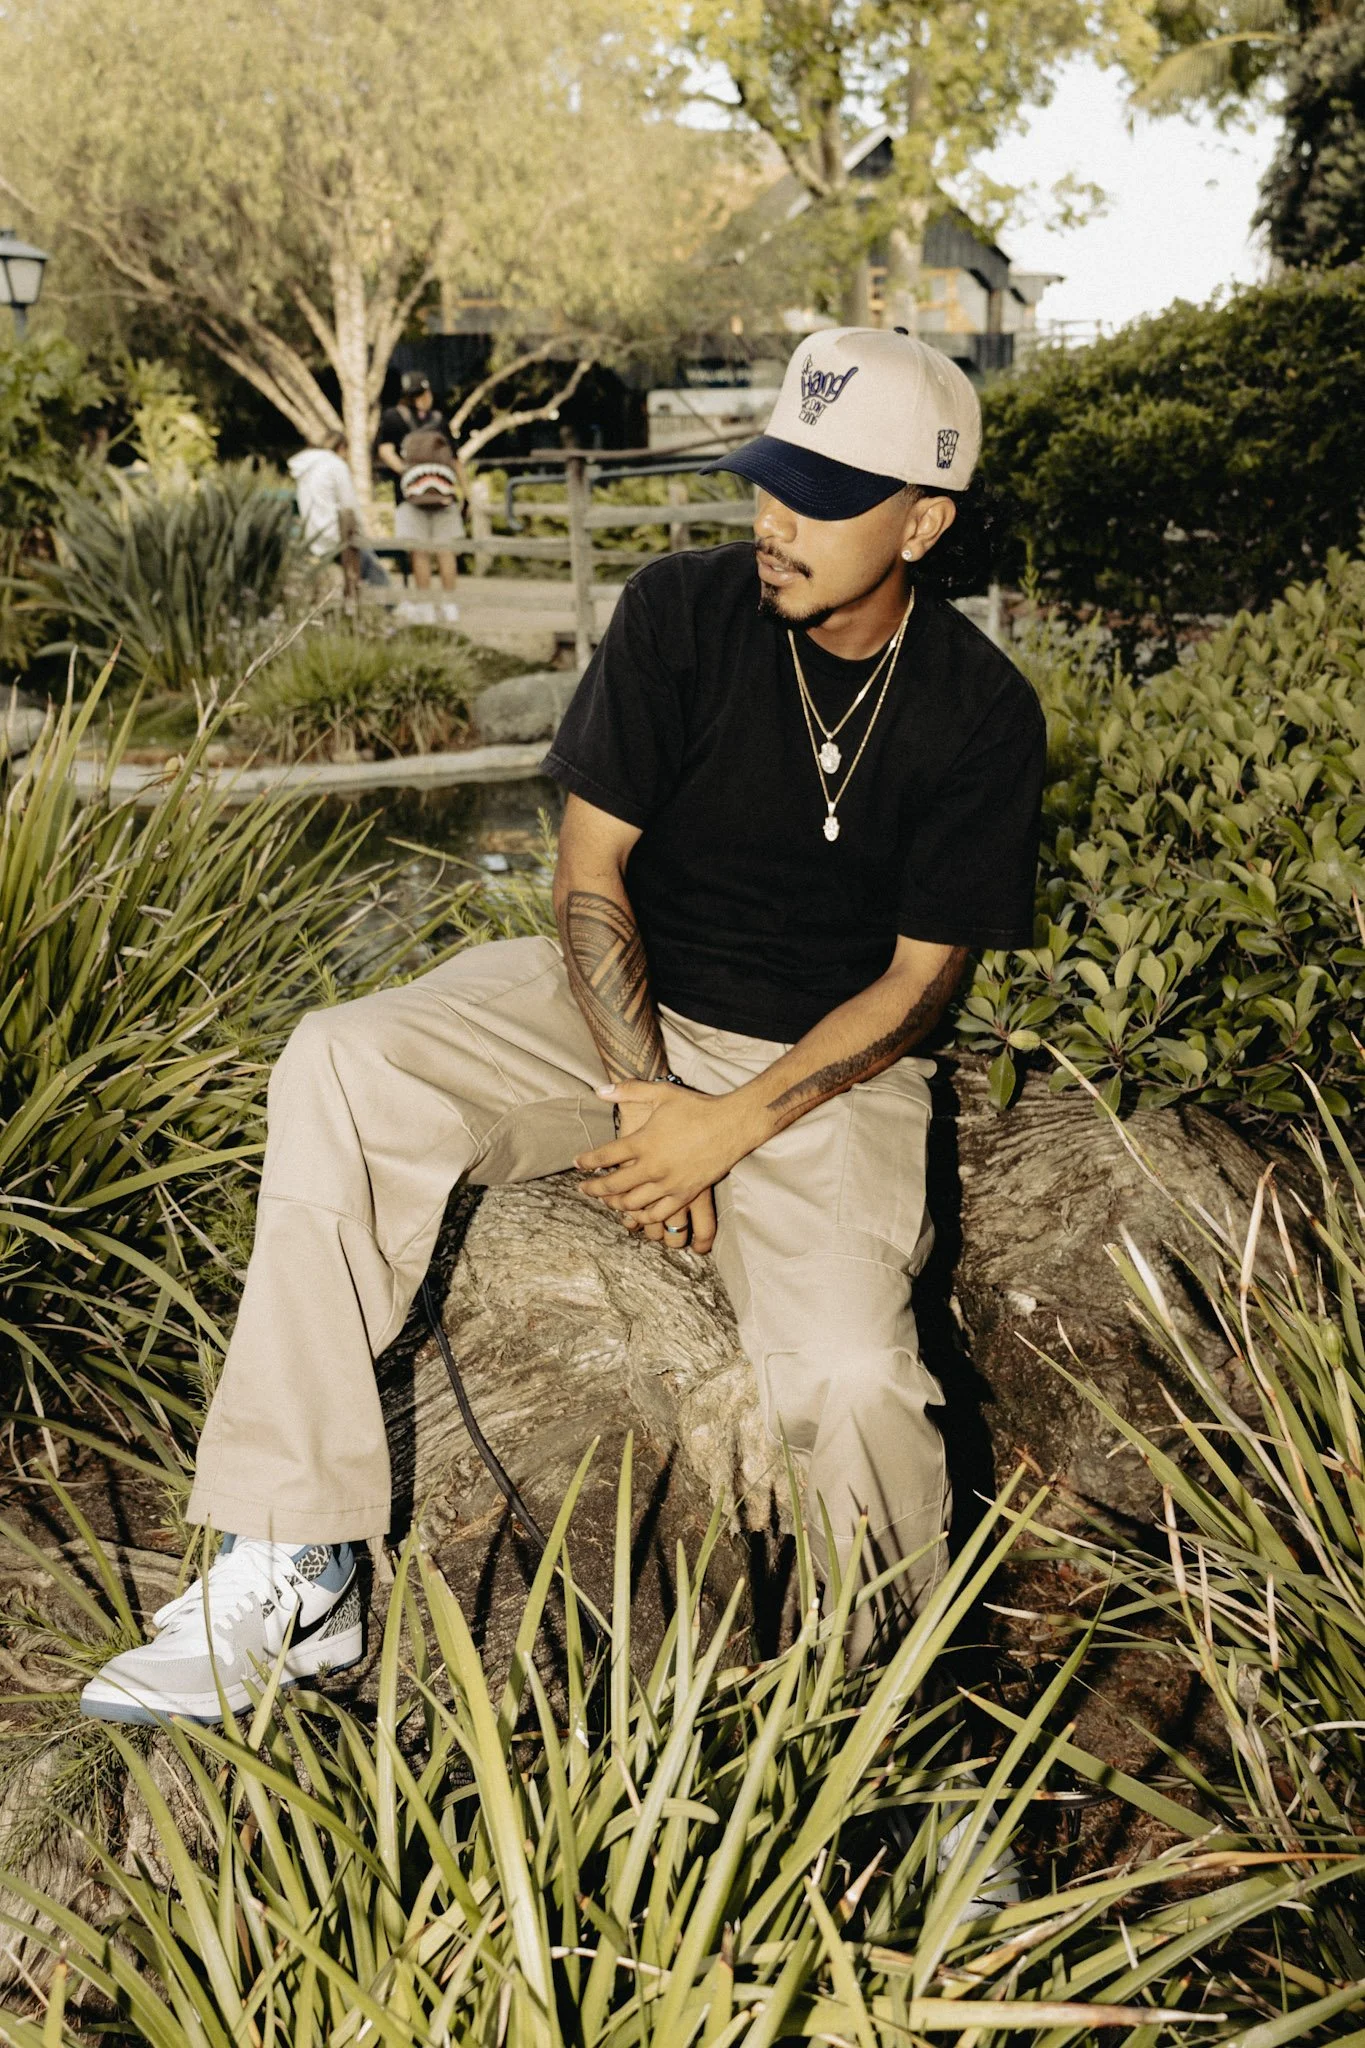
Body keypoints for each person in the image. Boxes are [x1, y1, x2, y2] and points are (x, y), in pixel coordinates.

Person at [81, 328, 1046, 1726]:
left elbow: (914, 990)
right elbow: (589, 872)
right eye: (772, 482)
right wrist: (649, 1094)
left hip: (823, 1071)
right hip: (607, 1003)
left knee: (848, 1380)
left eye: (822, 498)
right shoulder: (680, 612)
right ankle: (294, 1555)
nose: (776, 523)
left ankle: (907, 1724)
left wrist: (726, 1127)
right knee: (343, 1063)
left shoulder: (979, 712)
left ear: (925, 520)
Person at [377, 371, 462, 622]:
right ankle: (449, 604)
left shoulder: (393, 417)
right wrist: (462, 492)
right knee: (446, 551)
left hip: (409, 498)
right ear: (425, 394)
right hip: (444, 496)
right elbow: (455, 460)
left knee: (419, 552)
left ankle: (425, 605)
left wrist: (405, 471)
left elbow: (385, 450)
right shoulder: (439, 419)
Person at [287, 435, 387, 600]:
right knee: (373, 570)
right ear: (342, 448)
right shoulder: (335, 465)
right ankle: (392, 607)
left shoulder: (306, 469)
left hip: (313, 536)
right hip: (336, 534)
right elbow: (350, 505)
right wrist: (364, 534)